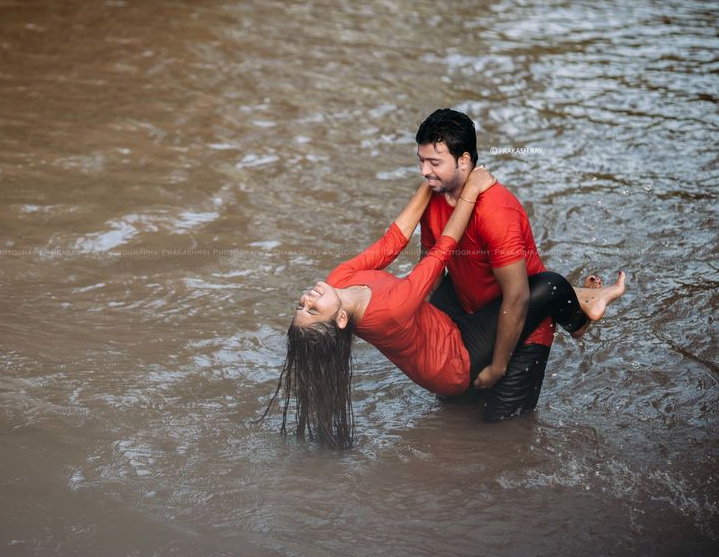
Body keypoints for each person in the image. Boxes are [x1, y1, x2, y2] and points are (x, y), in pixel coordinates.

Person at [256, 171, 626, 449]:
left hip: (439, 332)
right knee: (549, 285)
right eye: (313, 308)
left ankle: (577, 299)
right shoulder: (389, 310)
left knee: (471, 280)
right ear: (339, 319)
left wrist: (429, 180)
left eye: (301, 304)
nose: (308, 296)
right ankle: (580, 317)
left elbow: (393, 240)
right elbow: (441, 251)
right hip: (454, 364)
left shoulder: (338, 280)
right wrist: (472, 191)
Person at [415, 108, 610, 421]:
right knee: (450, 411)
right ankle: (582, 299)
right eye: (421, 161)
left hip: (522, 323)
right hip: (473, 317)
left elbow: (517, 298)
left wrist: (497, 367)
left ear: (464, 160)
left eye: (434, 162)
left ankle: (577, 306)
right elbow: (431, 272)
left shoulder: (496, 211)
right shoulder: (432, 198)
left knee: (501, 429)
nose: (425, 171)